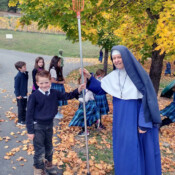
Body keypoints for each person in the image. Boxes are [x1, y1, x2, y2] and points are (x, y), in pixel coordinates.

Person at [82, 45, 162, 175]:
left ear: (126, 58)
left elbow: (147, 100)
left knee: (137, 148)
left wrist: (143, 123)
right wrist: (90, 78)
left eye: (119, 57)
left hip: (136, 117)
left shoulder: (139, 76)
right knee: (123, 148)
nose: (117, 60)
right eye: (114, 58)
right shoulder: (114, 75)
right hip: (121, 118)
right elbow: (102, 89)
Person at [26, 70, 85, 175]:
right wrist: (30, 131)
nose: (44, 85)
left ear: (50, 81)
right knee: (40, 150)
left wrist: (78, 90)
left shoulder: (54, 93)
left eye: (46, 82)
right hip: (38, 126)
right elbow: (29, 114)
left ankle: (49, 165)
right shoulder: (34, 96)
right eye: (41, 83)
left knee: (49, 147)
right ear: (37, 83)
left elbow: (67, 96)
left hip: (49, 125)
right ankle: (38, 170)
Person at [14, 61, 28, 126]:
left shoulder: (24, 74)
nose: (25, 68)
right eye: (24, 67)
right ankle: (20, 121)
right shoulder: (18, 76)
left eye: (25, 66)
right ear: (19, 68)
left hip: (24, 94)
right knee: (21, 108)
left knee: (24, 107)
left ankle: (24, 119)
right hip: (20, 95)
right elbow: (16, 86)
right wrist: (18, 95)